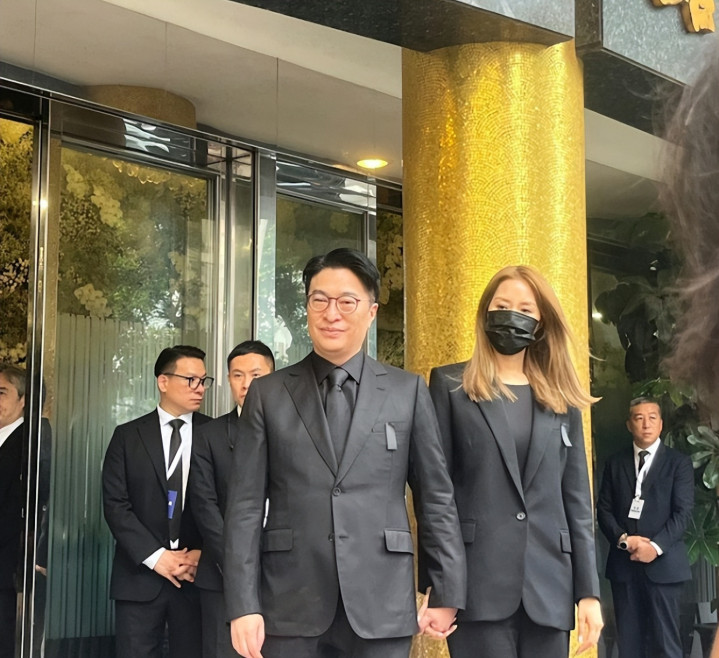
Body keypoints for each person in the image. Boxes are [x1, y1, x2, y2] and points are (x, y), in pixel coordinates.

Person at [224, 247, 466, 658]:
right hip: (290, 601)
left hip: (381, 600)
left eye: (346, 302)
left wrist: (445, 589)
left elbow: (435, 497)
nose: (331, 313)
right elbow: (245, 505)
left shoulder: (407, 391)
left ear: (371, 312)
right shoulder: (268, 394)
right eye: (319, 300)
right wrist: (243, 605)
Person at [428, 265, 603, 658]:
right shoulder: (450, 386)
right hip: (476, 587)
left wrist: (588, 592)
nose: (511, 316)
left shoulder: (562, 398)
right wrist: (439, 587)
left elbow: (577, 501)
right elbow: (436, 496)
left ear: (541, 322)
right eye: (502, 306)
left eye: (525, 309)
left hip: (550, 587)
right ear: (485, 313)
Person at [102, 345, 213, 658]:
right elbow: (115, 505)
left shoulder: (215, 434)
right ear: (163, 381)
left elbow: (229, 503)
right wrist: (156, 557)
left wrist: (203, 554)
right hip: (138, 577)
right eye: (191, 380)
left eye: (204, 381)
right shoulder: (127, 436)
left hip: (196, 578)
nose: (200, 388)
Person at [189, 340, 275, 658]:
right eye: (237, 375)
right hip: (222, 574)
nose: (246, 383)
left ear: (274, 377)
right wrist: (239, 562)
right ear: (228, 380)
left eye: (256, 374)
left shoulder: (295, 431)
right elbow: (204, 506)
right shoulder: (208, 436)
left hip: (285, 574)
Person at [596, 397, 693, 658]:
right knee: (629, 645)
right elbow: (603, 510)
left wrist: (655, 547)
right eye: (639, 418)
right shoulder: (615, 463)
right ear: (629, 425)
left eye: (652, 418)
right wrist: (624, 540)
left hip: (665, 568)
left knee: (667, 645)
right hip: (624, 567)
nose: (646, 424)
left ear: (661, 424)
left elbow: (683, 513)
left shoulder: (678, 463)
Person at [0, 363, 26, 658]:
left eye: (1, 393)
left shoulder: (29, 444)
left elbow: (16, 509)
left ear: (23, 400)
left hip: (8, 569)